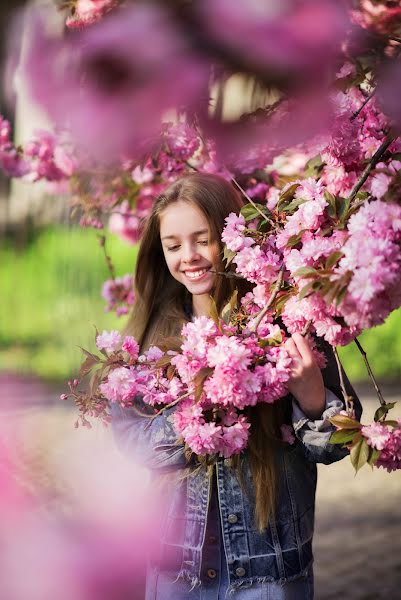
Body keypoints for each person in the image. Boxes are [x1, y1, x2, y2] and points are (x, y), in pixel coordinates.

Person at [110, 172, 361, 600]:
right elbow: (131, 440)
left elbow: (335, 446)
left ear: (231, 234)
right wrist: (196, 422)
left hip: (268, 572)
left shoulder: (288, 323)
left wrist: (314, 399)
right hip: (177, 570)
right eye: (173, 245)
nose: (188, 256)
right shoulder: (150, 337)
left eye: (202, 239)